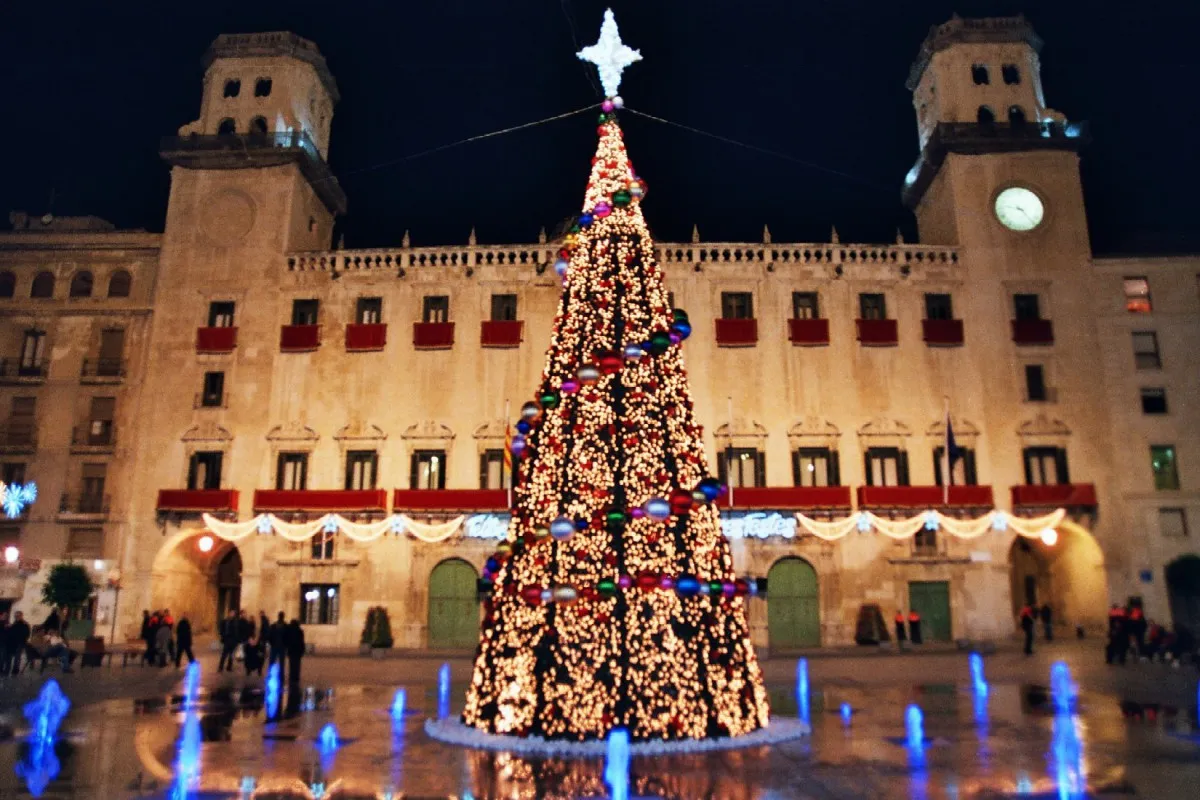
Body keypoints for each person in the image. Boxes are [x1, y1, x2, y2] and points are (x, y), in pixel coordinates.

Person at [285, 618, 305, 685]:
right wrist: (302, 650)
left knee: (292, 664)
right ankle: (296, 677)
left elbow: (287, 641)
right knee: (297, 664)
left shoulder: (289, 631)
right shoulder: (300, 631)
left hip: (291, 650)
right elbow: (302, 642)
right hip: (298, 650)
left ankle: (292, 676)